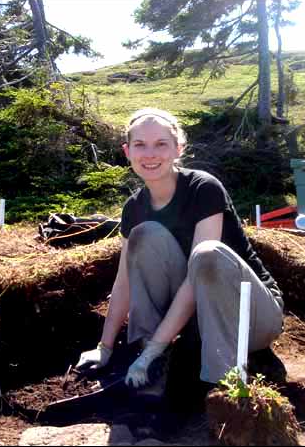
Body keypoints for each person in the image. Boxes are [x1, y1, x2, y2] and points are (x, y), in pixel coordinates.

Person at [75, 108, 284, 396]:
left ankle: (222, 387)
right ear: (127, 151)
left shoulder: (204, 188)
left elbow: (200, 271)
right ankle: (152, 365)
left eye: (161, 144)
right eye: (140, 145)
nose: (150, 154)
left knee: (207, 254)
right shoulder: (134, 208)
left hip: (250, 316)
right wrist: (105, 347)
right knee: (144, 235)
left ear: (178, 149)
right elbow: (124, 281)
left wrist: (156, 350)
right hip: (197, 321)